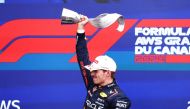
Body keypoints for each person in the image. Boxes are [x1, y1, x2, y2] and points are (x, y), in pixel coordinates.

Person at [76, 15, 131, 109]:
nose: (91, 73)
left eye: (96, 71)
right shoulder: (93, 83)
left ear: (107, 73)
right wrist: (81, 27)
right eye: (92, 70)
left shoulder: (119, 99)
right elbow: (82, 55)